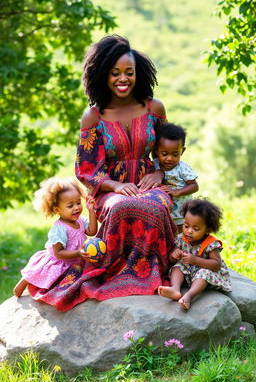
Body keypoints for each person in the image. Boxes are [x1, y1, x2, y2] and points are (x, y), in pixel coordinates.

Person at [28, 34, 177, 310]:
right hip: (110, 190)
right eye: (115, 73)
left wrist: (159, 173)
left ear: (138, 73)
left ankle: (159, 270)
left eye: (129, 72)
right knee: (123, 206)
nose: (123, 79)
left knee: (155, 206)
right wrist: (114, 186)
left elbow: (171, 148)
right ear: (102, 75)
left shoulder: (154, 108)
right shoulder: (93, 117)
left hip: (150, 184)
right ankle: (119, 272)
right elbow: (86, 169)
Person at [13, 177, 98, 297]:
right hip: (60, 260)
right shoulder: (60, 228)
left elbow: (92, 231)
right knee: (39, 273)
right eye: (70, 206)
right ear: (57, 209)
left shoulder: (80, 220)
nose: (76, 208)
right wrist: (78, 253)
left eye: (78, 202)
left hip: (75, 259)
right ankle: (22, 284)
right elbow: (58, 253)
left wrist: (91, 211)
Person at [158, 199, 232, 309]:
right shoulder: (181, 239)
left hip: (206, 276)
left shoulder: (210, 244)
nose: (189, 231)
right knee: (178, 266)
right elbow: (171, 261)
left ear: (208, 229)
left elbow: (216, 265)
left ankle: (189, 296)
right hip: (189, 272)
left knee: (203, 273)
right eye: (186, 226)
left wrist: (195, 260)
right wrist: (174, 255)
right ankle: (175, 289)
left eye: (196, 229)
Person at [154, 123, 199, 233]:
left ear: (182, 151)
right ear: (156, 151)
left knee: (180, 236)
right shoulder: (154, 165)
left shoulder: (182, 168)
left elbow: (194, 186)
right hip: (164, 212)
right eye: (164, 154)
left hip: (181, 212)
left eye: (175, 155)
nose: (169, 158)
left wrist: (177, 192)